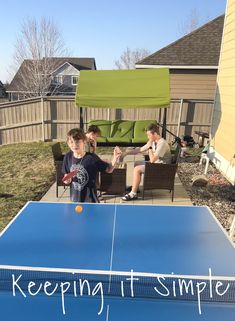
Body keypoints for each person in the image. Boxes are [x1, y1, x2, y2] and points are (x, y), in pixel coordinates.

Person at [62, 128, 121, 203]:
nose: (74, 145)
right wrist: (67, 180)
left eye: (77, 142)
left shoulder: (92, 158)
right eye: (71, 142)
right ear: (68, 143)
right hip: (74, 199)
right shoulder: (67, 157)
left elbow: (109, 169)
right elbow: (66, 175)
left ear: (84, 142)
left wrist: (115, 158)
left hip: (90, 200)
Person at [121, 123, 172, 201]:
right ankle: (136, 187)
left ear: (154, 134)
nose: (148, 137)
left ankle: (133, 193)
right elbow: (141, 149)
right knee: (137, 163)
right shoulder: (154, 141)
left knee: (137, 169)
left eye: (149, 135)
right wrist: (126, 153)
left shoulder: (162, 144)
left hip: (162, 168)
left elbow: (152, 160)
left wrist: (150, 148)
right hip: (156, 164)